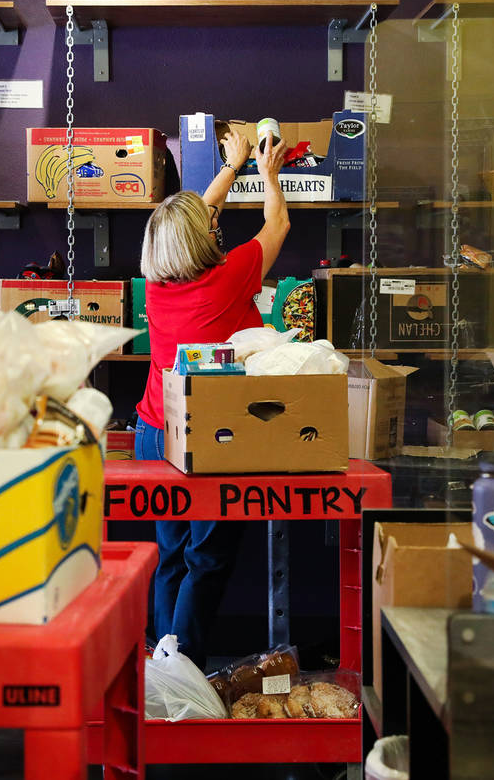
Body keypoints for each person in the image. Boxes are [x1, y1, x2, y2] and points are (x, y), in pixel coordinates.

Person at [134, 130, 290, 667]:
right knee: (208, 556)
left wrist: (232, 165)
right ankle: (185, 668)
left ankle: (161, 658)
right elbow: (278, 225)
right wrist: (266, 172)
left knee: (171, 554)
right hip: (210, 436)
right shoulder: (230, 276)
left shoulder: (157, 284)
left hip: (155, 431)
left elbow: (194, 218)